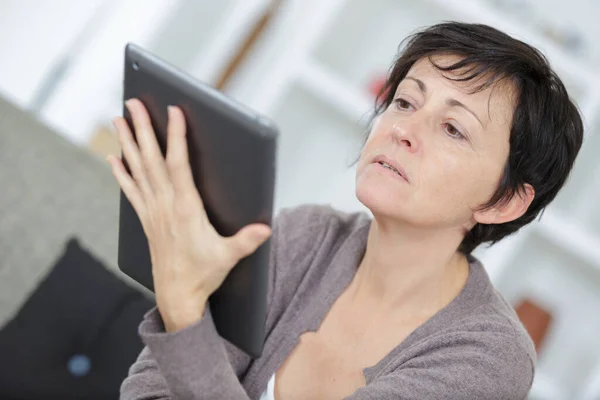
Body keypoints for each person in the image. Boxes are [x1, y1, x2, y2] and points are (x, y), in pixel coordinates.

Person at [110, 22, 583, 399]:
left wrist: (185, 315)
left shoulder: (489, 359)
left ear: (503, 201)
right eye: (404, 101)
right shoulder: (307, 235)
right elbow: (147, 391)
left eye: (453, 129)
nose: (403, 129)